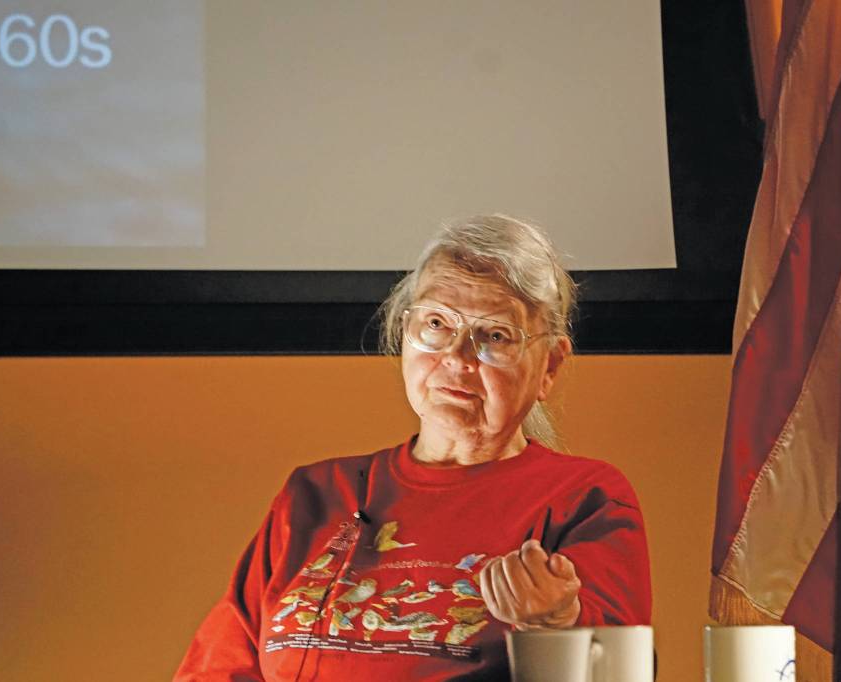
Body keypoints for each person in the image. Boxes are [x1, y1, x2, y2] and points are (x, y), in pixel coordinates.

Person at [174, 214, 652, 681]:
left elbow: (615, 668)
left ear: (549, 365)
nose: (457, 357)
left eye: (495, 336)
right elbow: (217, 667)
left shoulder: (581, 498)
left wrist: (558, 623)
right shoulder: (314, 493)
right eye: (437, 323)